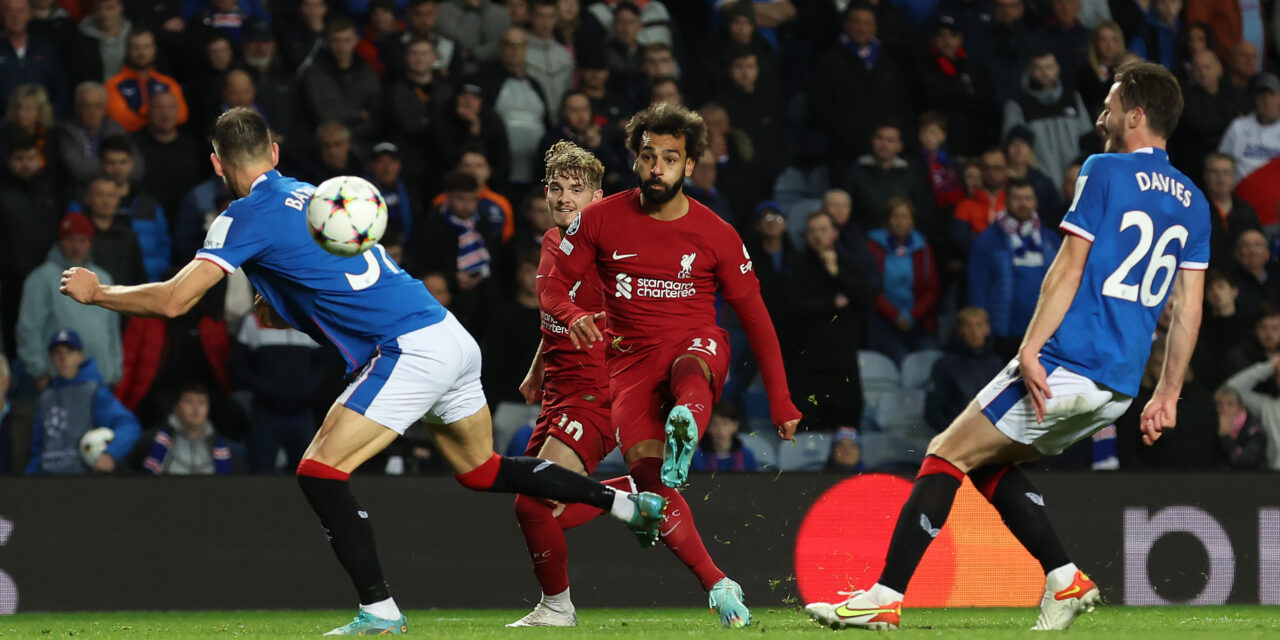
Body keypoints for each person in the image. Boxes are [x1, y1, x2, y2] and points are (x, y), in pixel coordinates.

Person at [57, 107, 665, 636]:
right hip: (449, 333)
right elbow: (329, 284)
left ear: (217, 165)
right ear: (274, 152)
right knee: (482, 472)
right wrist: (286, 304)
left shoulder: (239, 218)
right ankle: (627, 506)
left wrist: (97, 292)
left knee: (320, 471)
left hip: (409, 350)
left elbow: (171, 301)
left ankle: (378, 610)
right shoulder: (316, 196)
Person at [806, 62, 1208, 631]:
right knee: (987, 461)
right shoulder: (1194, 201)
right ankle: (1064, 578)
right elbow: (1188, 308)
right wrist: (1167, 392)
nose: (1102, 113)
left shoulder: (1104, 170)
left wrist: (1030, 348)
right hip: (1118, 386)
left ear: (1136, 116)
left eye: (1112, 103)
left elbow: (1068, 266)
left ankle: (883, 597)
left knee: (945, 452)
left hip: (1070, 360)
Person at [551, 102, 802, 628]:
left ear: (689, 166)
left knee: (693, 363)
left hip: (696, 346)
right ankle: (718, 583)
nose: (658, 166)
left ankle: (684, 419)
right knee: (651, 489)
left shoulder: (716, 233)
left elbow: (756, 319)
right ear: (636, 162)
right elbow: (555, 282)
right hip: (629, 367)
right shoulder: (599, 219)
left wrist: (780, 399)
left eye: (671, 157)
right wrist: (572, 312)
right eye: (649, 156)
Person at [507, 141, 627, 626]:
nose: (563, 197)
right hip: (559, 389)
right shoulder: (554, 241)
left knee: (533, 501)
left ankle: (557, 608)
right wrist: (539, 367)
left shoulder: (611, 252)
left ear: (598, 196)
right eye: (556, 188)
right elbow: (556, 314)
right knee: (542, 513)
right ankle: (632, 495)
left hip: (598, 392)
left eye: (576, 190)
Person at [18, 212, 122, 385]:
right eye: (70, 240)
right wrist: (39, 371)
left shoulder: (103, 278)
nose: (76, 247)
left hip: (100, 381)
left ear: (90, 243)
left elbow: (112, 330)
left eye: (82, 240)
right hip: (58, 380)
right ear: (60, 242)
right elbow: (29, 329)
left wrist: (115, 371)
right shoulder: (42, 278)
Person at [968, 179, 1062, 358]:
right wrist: (981, 326)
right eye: (1017, 198)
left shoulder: (1050, 239)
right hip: (1004, 332)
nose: (1023, 204)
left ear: (1035, 201)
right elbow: (978, 286)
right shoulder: (988, 240)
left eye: (1028, 198)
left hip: (1044, 330)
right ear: (1007, 201)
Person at [25, 328, 140, 473]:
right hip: (46, 476)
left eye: (69, 352)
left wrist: (111, 454)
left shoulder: (94, 392)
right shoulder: (46, 397)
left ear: (80, 356)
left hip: (80, 479)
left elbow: (128, 425)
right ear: (51, 358)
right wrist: (29, 476)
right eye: (57, 353)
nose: (63, 359)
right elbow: (37, 449)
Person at [866, 198, 939, 363]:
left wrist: (911, 315)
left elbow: (931, 290)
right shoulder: (874, 246)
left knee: (932, 361)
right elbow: (870, 288)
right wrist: (895, 315)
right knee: (901, 360)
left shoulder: (923, 248)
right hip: (884, 322)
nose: (900, 222)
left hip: (918, 321)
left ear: (912, 221)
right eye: (895, 217)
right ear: (888, 220)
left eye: (905, 217)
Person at [926, 306, 1005, 432]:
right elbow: (932, 412)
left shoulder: (996, 363)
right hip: (956, 436)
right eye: (968, 326)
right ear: (960, 330)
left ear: (987, 329)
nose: (974, 332)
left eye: (979, 325)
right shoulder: (944, 364)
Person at [103, 27, 187, 132]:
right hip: (128, 141)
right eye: (136, 47)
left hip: (163, 142)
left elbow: (180, 116)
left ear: (154, 49)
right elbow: (119, 119)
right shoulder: (112, 84)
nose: (141, 53)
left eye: (146, 47)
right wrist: (157, 119)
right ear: (127, 50)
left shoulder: (168, 83)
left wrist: (143, 114)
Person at [140, 383, 235, 475]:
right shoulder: (153, 440)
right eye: (189, 402)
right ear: (176, 408)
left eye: (202, 403)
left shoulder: (225, 448)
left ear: (208, 409)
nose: (196, 409)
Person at [1218, 73, 1280, 182]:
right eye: (1262, 96)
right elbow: (1220, 162)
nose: (1267, 101)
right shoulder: (1238, 127)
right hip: (1240, 193)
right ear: (1255, 99)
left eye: (1272, 95)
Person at [690, 401, 756, 472]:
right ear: (707, 426)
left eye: (725, 424)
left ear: (735, 426)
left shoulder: (747, 456)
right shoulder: (696, 458)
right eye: (714, 424)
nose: (720, 430)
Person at [1212, 385, 1267, 470]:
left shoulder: (1255, 431)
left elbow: (1247, 462)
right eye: (1219, 404)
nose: (1224, 409)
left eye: (1230, 404)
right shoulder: (1211, 427)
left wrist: (1225, 437)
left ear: (1241, 407)